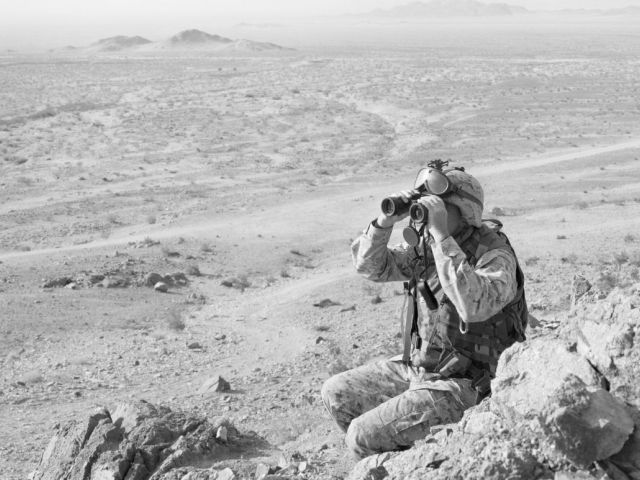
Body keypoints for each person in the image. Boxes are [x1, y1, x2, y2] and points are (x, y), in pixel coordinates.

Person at [321, 161, 527, 458]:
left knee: (361, 435)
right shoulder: (430, 249)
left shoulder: (494, 255)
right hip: (424, 365)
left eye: (440, 209)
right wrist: (384, 222)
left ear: (465, 212)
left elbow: (472, 307)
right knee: (336, 393)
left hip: (469, 383)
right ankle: (399, 460)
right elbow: (372, 267)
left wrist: (441, 236)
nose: (428, 216)